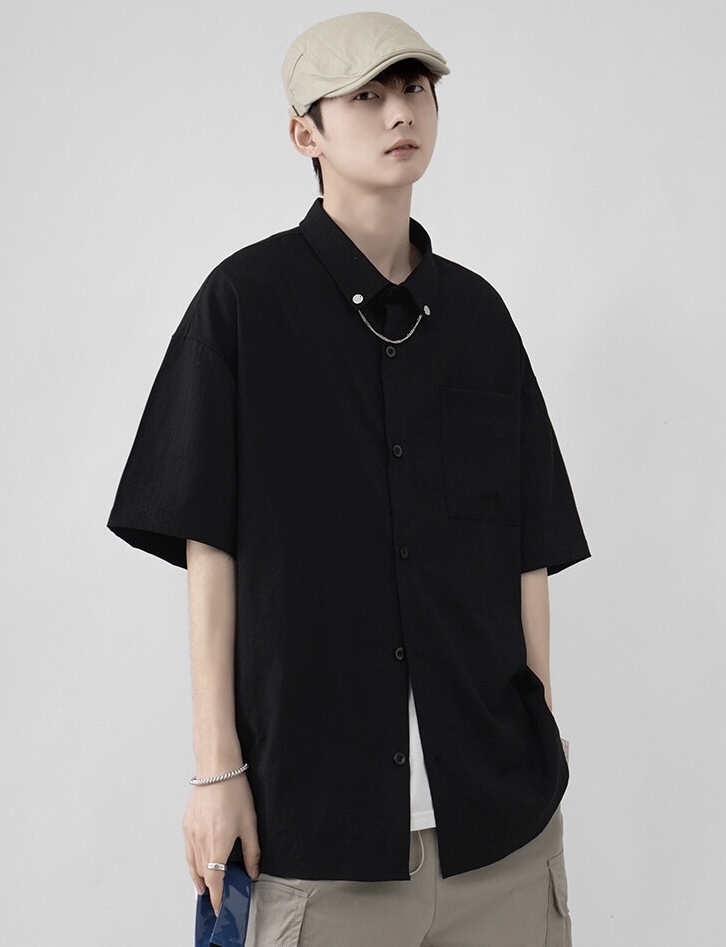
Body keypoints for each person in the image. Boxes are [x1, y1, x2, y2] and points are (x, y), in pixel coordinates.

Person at [108, 11, 590, 947]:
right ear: (306, 134)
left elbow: (528, 545)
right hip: (318, 845)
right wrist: (217, 772)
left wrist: (540, 735)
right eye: (364, 95)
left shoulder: (479, 318)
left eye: (413, 88)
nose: (399, 112)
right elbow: (212, 550)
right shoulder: (244, 305)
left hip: (502, 837)